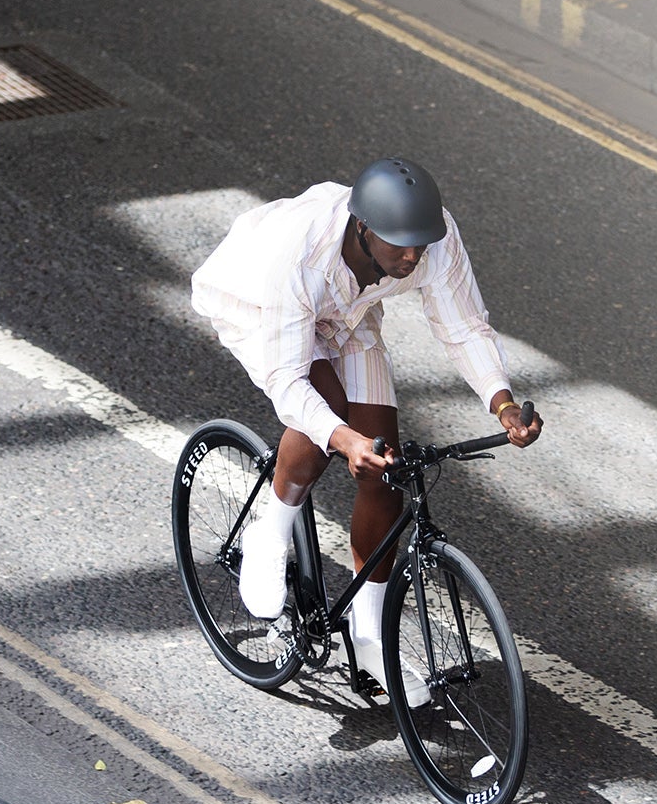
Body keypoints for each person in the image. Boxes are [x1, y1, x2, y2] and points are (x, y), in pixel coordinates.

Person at [191, 158, 544, 701]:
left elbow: (464, 326)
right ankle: (271, 528)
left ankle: (369, 638)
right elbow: (288, 382)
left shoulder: (432, 237)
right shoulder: (302, 254)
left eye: (420, 246)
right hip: (260, 304)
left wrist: (502, 404)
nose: (411, 257)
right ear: (362, 227)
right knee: (325, 406)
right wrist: (342, 437)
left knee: (386, 467)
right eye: (399, 245)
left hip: (349, 317)